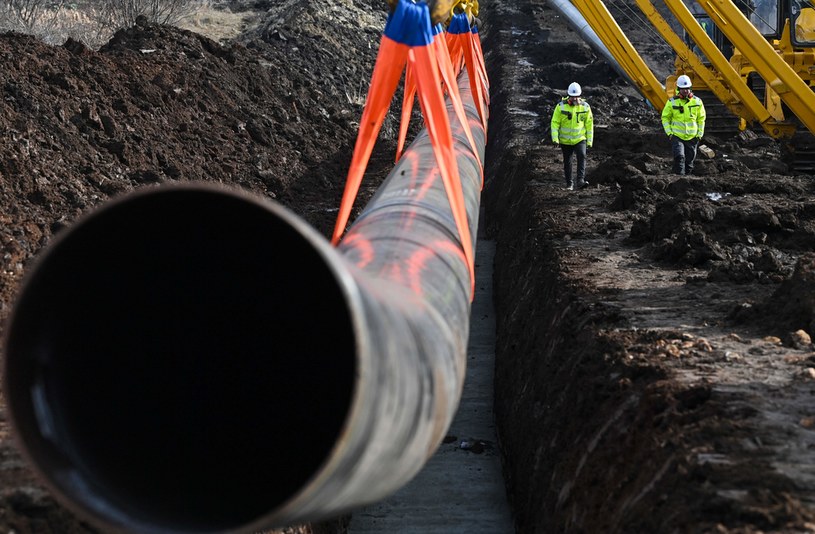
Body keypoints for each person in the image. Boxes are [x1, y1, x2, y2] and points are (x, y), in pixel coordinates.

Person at [551, 82, 594, 190]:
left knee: (582, 155)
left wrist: (589, 141)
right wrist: (555, 139)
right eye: (572, 97)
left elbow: (589, 125)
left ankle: (580, 181)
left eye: (576, 96)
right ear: (568, 95)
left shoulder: (585, 107)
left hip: (580, 139)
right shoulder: (560, 107)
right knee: (568, 162)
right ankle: (569, 184)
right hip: (565, 140)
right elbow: (555, 122)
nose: (575, 99)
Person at [661, 74, 706, 175]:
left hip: (692, 137)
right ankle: (679, 178)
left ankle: (687, 180)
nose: (685, 91)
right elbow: (665, 118)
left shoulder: (697, 102)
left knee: (689, 162)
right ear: (678, 89)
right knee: (679, 157)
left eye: (687, 88)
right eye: (683, 89)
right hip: (677, 136)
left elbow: (701, 119)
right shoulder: (672, 102)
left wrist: (699, 134)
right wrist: (670, 133)